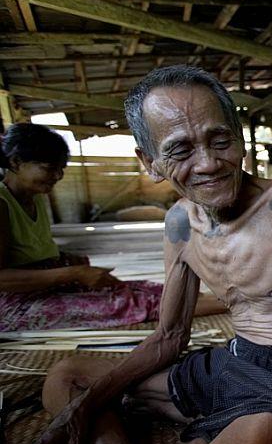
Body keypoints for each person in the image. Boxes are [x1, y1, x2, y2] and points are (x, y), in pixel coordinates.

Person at [1, 65, 272, 444]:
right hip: (230, 360)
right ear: (148, 160)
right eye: (179, 150)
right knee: (68, 378)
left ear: (238, 136)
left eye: (220, 140)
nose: (209, 163)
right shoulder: (178, 224)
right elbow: (169, 337)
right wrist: (81, 410)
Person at [0, 123, 223, 331]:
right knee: (131, 303)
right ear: (16, 162)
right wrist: (73, 273)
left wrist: (71, 265)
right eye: (49, 168)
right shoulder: (2, 204)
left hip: (49, 283)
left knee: (146, 289)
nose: (57, 176)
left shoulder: (34, 194)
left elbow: (33, 249)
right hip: (15, 303)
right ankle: (238, 305)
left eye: (61, 169)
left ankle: (229, 300)